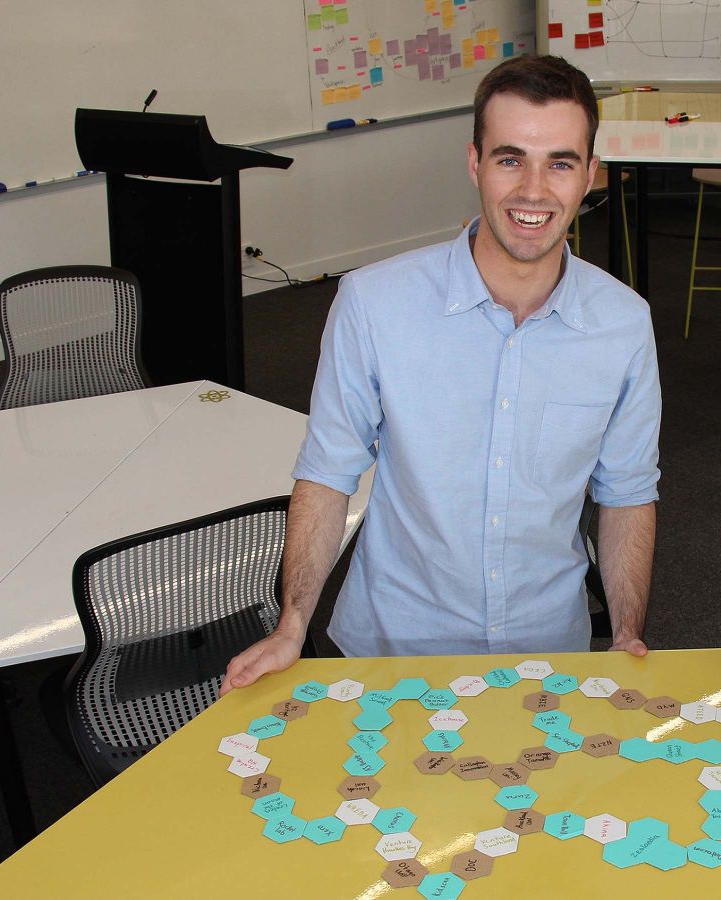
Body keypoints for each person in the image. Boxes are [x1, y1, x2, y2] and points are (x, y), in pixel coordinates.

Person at [222, 55, 659, 693]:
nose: (534, 190)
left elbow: (626, 493)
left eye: (560, 163)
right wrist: (293, 624)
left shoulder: (623, 323)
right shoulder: (374, 304)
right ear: (474, 162)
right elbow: (326, 472)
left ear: (591, 175)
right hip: (394, 653)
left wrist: (625, 633)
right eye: (511, 158)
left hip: (550, 656)